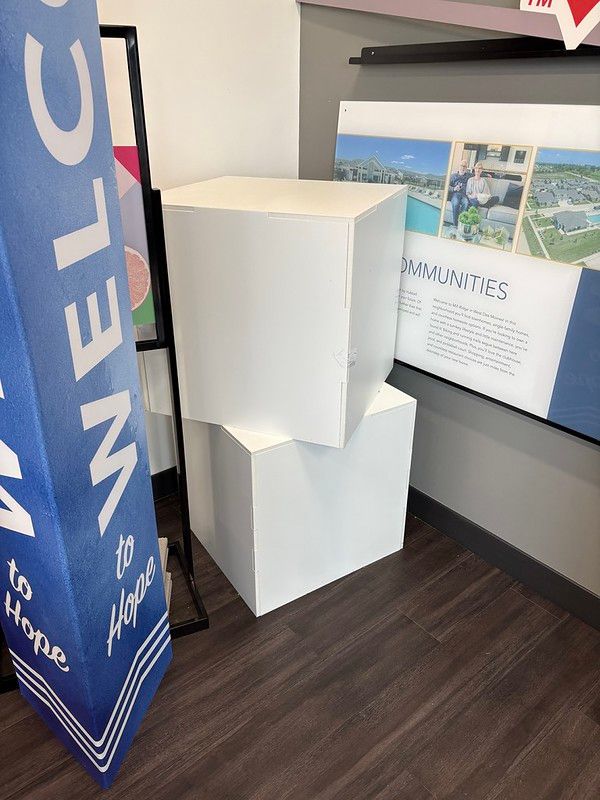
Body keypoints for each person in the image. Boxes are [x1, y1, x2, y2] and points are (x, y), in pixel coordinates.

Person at [448, 158, 471, 227]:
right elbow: (447, 186)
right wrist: (454, 188)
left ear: (466, 168)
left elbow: (477, 173)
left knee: (466, 203)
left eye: (464, 166)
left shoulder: (469, 175)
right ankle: (455, 225)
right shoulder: (453, 176)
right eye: (461, 165)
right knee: (455, 203)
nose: (463, 167)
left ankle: (460, 223)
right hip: (455, 194)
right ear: (459, 166)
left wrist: (488, 175)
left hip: (464, 195)